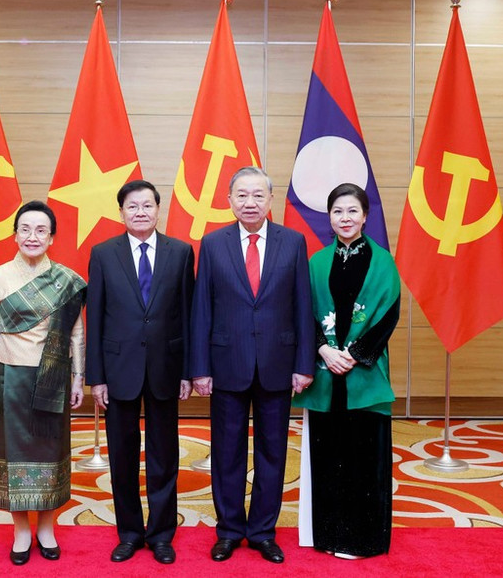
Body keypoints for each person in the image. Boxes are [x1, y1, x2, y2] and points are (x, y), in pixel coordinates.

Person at [190, 166, 315, 564]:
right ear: (229, 201)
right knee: (226, 452)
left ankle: (262, 531)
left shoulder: (293, 243)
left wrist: (303, 363)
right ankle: (228, 530)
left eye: (258, 195)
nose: (250, 202)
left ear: (270, 201)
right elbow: (202, 310)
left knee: (272, 452)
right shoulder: (212, 244)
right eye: (242, 195)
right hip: (227, 364)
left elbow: (302, 306)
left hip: (278, 365)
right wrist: (200, 368)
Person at [86, 180, 195, 565]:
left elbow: (187, 315)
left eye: (147, 205)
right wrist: (95, 377)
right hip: (118, 371)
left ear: (158, 210)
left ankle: (162, 534)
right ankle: (130, 533)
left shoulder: (181, 253)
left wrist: (187, 371)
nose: (140, 212)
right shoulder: (102, 254)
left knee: (165, 456)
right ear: (121, 212)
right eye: (132, 206)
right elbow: (95, 317)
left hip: (166, 367)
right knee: (122, 455)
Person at [0, 200, 86, 566]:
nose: (32, 236)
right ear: (14, 234)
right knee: (12, 455)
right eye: (25, 229)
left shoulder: (67, 280)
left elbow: (77, 334)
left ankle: (46, 528)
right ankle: (21, 530)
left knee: (50, 454)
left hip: (52, 379)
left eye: (41, 230)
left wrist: (78, 378)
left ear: (52, 237)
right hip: (8, 378)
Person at [293, 183, 400, 559]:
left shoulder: (383, 261)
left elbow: (389, 315)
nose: (345, 218)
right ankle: (329, 535)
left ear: (365, 215)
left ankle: (363, 539)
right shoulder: (317, 263)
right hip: (325, 374)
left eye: (352, 211)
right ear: (330, 217)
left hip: (364, 374)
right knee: (329, 457)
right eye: (338, 211)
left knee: (363, 459)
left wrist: (352, 354)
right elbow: (302, 313)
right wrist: (323, 349)